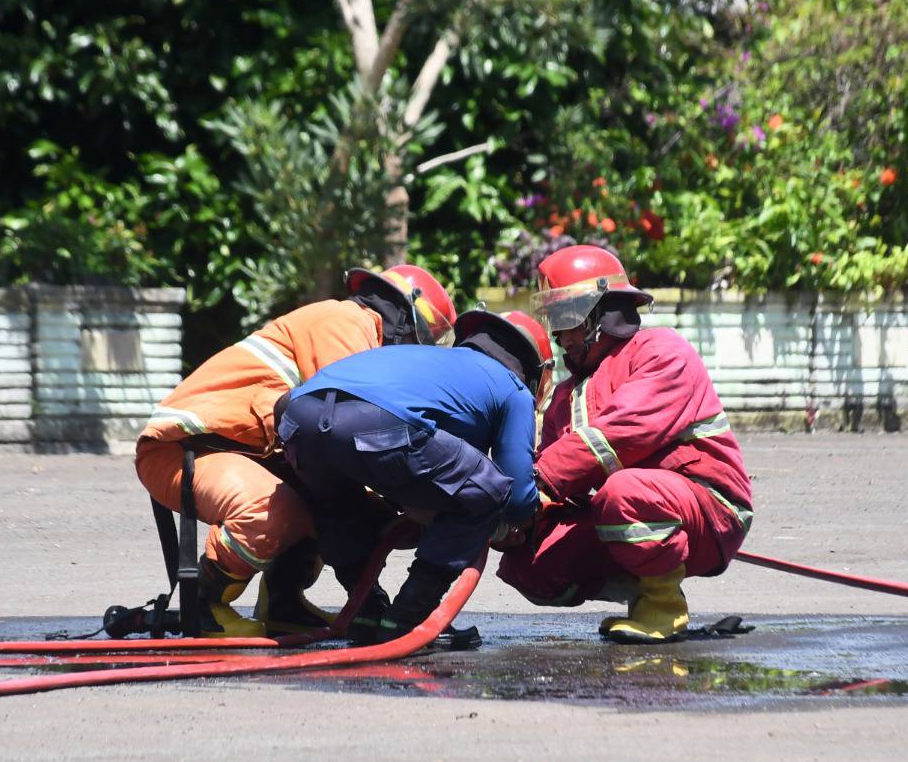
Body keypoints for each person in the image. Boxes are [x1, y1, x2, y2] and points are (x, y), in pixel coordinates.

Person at [136, 265, 457, 638]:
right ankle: (205, 605)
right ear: (407, 318)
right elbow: (354, 436)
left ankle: (284, 604)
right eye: (427, 338)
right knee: (275, 510)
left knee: (328, 498)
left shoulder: (359, 334)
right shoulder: (348, 322)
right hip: (181, 449)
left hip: (231, 449)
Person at [496, 245, 752, 643]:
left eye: (567, 318)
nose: (559, 335)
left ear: (602, 315)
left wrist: (539, 480)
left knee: (623, 493)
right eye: (554, 320)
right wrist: (521, 518)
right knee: (530, 561)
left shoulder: (661, 351)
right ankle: (641, 583)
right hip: (632, 511)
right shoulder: (565, 396)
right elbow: (558, 485)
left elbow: (622, 432)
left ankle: (662, 607)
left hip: (709, 510)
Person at [278, 310, 553, 645]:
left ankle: (368, 613)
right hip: (373, 423)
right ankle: (409, 619)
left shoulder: (432, 363)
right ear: (534, 373)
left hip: (298, 418)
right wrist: (506, 522)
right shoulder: (512, 388)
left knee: (338, 504)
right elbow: (517, 498)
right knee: (490, 489)